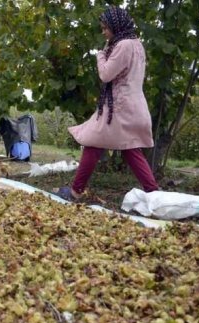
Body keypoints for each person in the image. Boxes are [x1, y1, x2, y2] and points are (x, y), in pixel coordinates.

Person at [55, 6, 159, 201]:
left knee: (93, 143)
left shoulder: (123, 45)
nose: (103, 32)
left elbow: (106, 75)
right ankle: (154, 194)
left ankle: (75, 192)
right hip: (135, 106)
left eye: (105, 28)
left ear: (116, 26)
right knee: (131, 150)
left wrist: (100, 56)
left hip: (118, 109)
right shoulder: (137, 44)